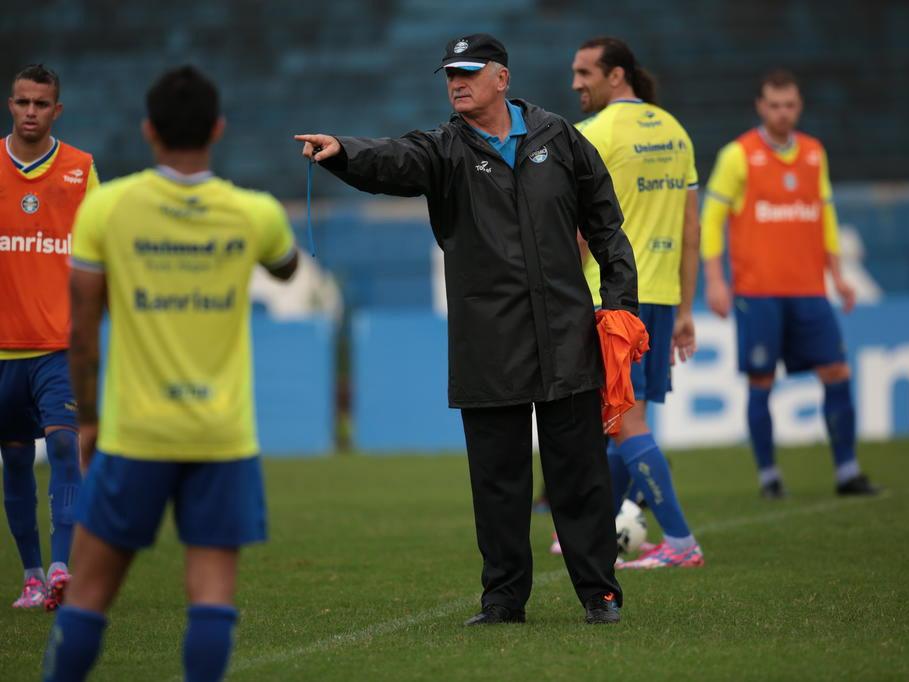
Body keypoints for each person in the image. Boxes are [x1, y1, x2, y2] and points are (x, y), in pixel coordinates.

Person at [297, 33, 638, 625]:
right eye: (449, 74)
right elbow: (393, 160)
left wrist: (621, 303)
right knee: (499, 484)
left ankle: (599, 593)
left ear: (501, 78)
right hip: (490, 344)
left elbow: (606, 222)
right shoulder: (444, 149)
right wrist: (344, 151)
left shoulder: (557, 137)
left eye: (468, 72)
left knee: (579, 476)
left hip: (566, 336)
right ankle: (504, 600)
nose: (456, 82)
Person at [42, 66, 298, 682]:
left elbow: (82, 331)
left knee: (89, 596)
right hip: (220, 435)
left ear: (148, 130)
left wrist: (88, 419)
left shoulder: (107, 208)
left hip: (135, 432)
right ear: (218, 128)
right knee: (210, 596)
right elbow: (287, 267)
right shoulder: (253, 212)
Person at [700, 69, 879, 498]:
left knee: (836, 370)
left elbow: (826, 215)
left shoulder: (815, 153)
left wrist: (837, 273)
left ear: (799, 107)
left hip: (810, 289)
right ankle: (768, 477)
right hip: (758, 292)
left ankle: (847, 471)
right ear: (761, 107)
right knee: (761, 380)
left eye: (790, 105)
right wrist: (715, 281)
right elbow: (712, 220)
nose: (783, 113)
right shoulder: (737, 156)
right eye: (775, 105)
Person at [569, 37, 703, 568]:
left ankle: (680, 541)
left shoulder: (592, 135)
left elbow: (577, 230)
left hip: (612, 296)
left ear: (616, 76)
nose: (576, 83)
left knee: (623, 422)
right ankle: (603, 529)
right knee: (627, 415)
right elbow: (692, 229)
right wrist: (687, 308)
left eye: (584, 72)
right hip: (662, 296)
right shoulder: (675, 130)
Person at [1, 64, 99, 610]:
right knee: (15, 459)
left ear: (56, 110)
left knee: (65, 444)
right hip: (4, 348)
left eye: (41, 104)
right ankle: (32, 574)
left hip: (58, 345)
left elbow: (100, 247)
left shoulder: (82, 170)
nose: (31, 112)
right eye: (22, 103)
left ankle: (63, 569)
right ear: (10, 105)